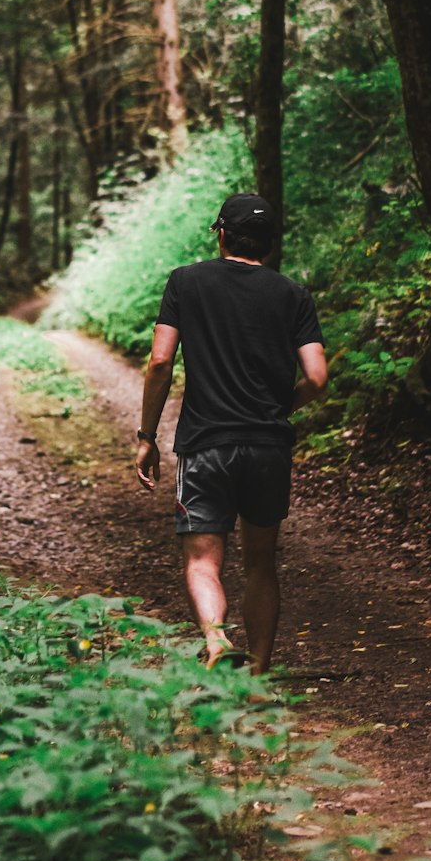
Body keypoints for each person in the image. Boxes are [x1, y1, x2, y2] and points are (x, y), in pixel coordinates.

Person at [135, 192, 327, 674]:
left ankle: (217, 642)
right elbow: (318, 377)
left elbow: (160, 361)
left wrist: (146, 435)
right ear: (267, 242)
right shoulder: (293, 295)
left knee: (203, 560)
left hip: (205, 444)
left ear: (221, 233)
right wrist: (278, 408)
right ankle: (258, 673)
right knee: (261, 563)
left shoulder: (186, 282)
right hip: (268, 445)